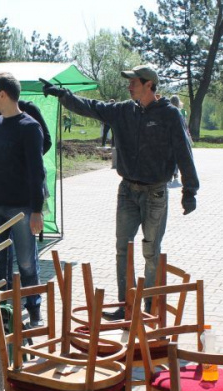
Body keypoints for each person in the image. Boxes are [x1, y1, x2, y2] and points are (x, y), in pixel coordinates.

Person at [41, 65, 199, 320]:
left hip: (155, 193)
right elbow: (92, 107)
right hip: (127, 191)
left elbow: (183, 150)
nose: (129, 86)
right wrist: (63, 95)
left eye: (133, 82)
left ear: (149, 84)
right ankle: (126, 306)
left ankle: (148, 310)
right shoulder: (124, 110)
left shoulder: (169, 114)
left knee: (151, 251)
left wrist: (190, 189)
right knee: (122, 249)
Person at [0, 72, 46, 326]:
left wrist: (37, 210)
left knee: (26, 263)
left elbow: (38, 172)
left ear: (2, 94)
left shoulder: (30, 127)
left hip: (22, 207)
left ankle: (34, 309)